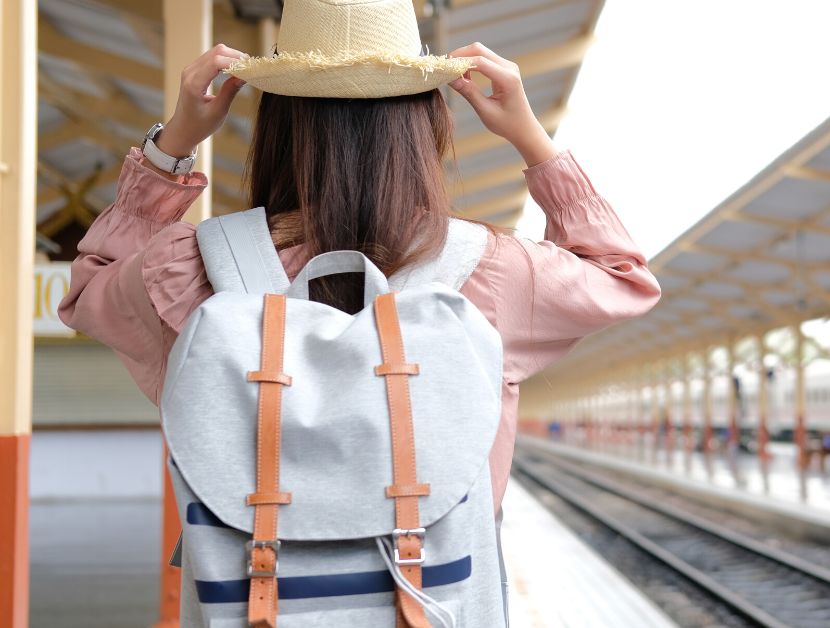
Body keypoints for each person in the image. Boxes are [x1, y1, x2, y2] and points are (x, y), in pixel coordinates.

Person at [58, 32, 660, 522]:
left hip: (253, 602)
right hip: (434, 600)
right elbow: (621, 277)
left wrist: (174, 144)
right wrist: (533, 141)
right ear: (427, 132)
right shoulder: (490, 270)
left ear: (276, 131)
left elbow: (88, 291)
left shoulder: (193, 267)